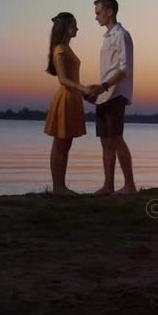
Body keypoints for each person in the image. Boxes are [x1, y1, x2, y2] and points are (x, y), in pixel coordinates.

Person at [44, 12, 101, 196]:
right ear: (66, 28)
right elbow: (63, 79)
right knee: (60, 143)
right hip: (66, 98)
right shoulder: (60, 49)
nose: (77, 28)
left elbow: (72, 78)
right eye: (74, 25)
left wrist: (84, 92)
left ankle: (61, 187)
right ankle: (58, 188)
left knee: (65, 144)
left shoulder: (66, 49)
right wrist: (82, 88)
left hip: (73, 97)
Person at [89, 0, 137, 196]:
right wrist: (99, 88)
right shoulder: (107, 37)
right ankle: (108, 185)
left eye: (98, 13)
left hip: (116, 94)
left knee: (116, 138)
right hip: (104, 94)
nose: (96, 17)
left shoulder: (122, 35)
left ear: (110, 12)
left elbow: (125, 68)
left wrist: (105, 85)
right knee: (105, 141)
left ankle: (129, 186)